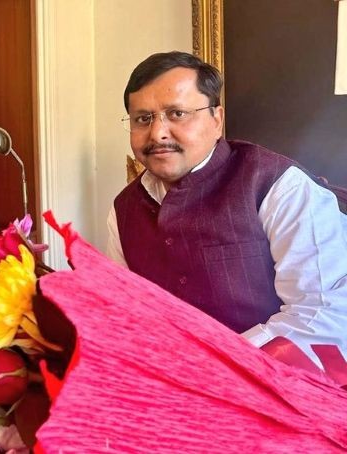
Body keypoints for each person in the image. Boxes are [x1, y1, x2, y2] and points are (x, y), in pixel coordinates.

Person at [107, 51, 347, 369]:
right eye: (142, 119)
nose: (158, 133)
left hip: (279, 381)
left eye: (177, 114)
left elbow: (322, 313)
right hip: (165, 382)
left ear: (216, 119)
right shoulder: (123, 210)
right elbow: (125, 313)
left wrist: (214, 365)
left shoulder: (278, 186)